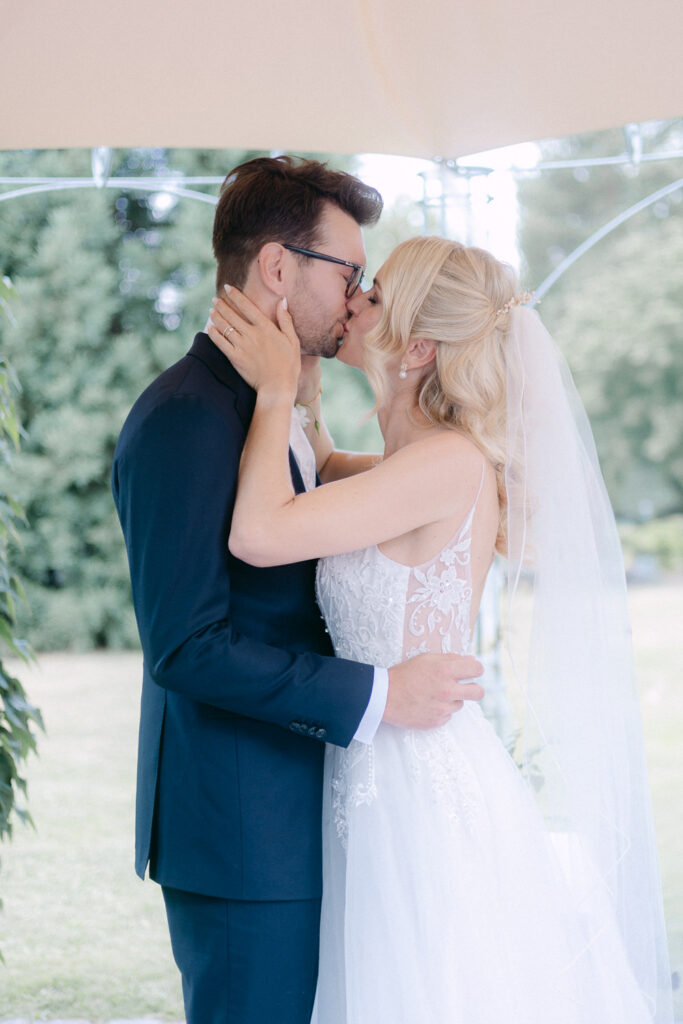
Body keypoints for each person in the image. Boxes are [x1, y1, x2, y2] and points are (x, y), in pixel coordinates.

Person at [207, 235, 674, 1024]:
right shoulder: (402, 464)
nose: (351, 297)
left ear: (417, 347)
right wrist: (304, 389)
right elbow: (318, 468)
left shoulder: (446, 465)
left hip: (418, 787)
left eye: (375, 294)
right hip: (375, 767)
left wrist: (275, 393)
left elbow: (257, 533)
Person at [111, 159, 485, 1024]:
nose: (355, 296)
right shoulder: (186, 417)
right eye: (348, 272)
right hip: (245, 833)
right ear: (279, 269)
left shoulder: (271, 405)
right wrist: (382, 692)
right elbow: (186, 645)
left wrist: (297, 405)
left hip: (316, 814)